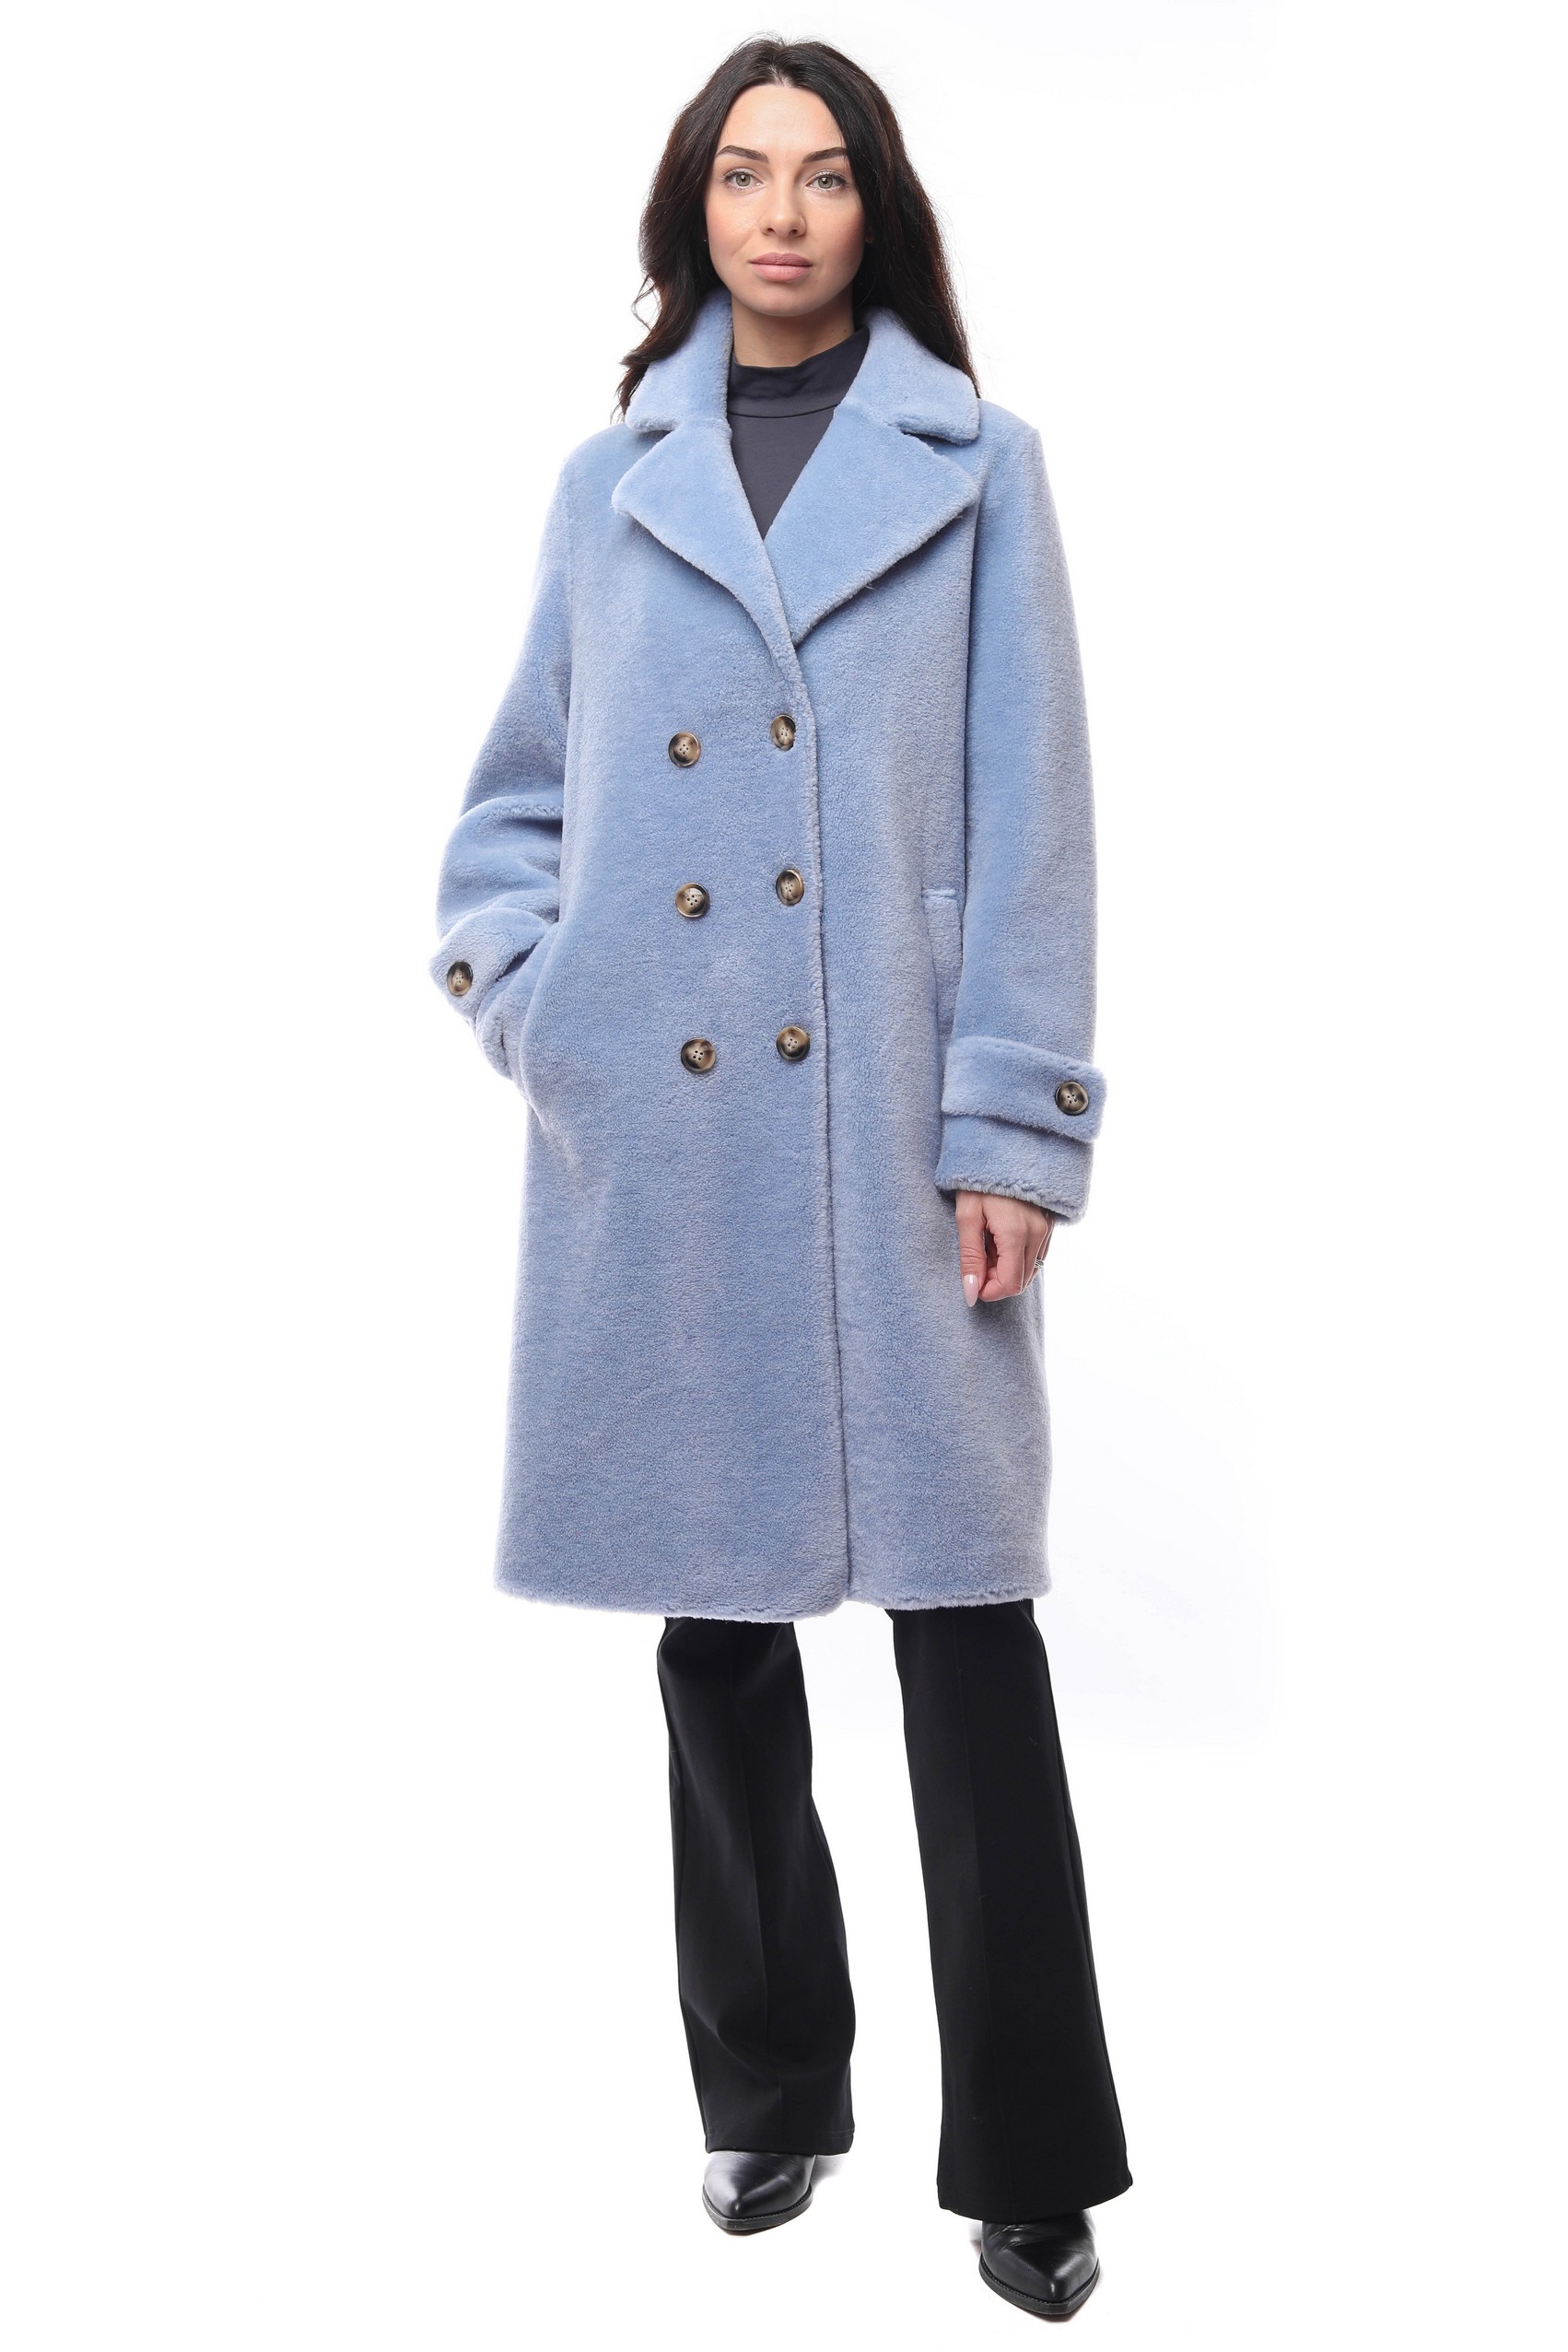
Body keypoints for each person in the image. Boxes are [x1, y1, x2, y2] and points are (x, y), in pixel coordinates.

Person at [430, 36, 1130, 2323]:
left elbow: (1030, 818)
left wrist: (1009, 1124)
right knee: (713, 1633)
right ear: (693, 209)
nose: (780, 215)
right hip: (674, 1125)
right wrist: (540, 999)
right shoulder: (606, 481)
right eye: (742, 175)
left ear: (872, 208)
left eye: (820, 176)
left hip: (898, 1125)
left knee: (965, 1634)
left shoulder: (977, 467)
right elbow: (512, 802)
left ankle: (1030, 2151)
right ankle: (765, 2088)